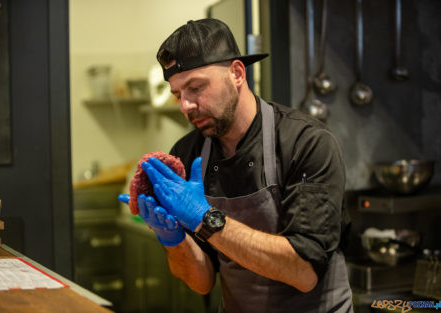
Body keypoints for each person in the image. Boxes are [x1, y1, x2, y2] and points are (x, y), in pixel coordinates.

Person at [119, 18, 353, 313]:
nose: (185, 106)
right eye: (178, 94)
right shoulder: (188, 153)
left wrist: (205, 219)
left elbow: (303, 273)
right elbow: (201, 282)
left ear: (237, 73)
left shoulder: (306, 143)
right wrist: (173, 238)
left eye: (196, 87)